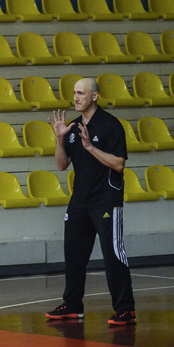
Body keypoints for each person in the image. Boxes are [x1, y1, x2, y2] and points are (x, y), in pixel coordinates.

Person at [46, 78, 136, 326]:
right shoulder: (73, 127)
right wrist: (59, 139)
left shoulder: (111, 125)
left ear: (94, 96)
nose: (75, 98)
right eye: (74, 93)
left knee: (113, 254)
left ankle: (125, 309)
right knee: (73, 254)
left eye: (81, 93)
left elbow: (119, 164)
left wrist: (90, 147)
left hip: (106, 199)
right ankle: (72, 305)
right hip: (80, 200)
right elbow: (61, 165)